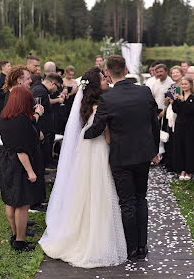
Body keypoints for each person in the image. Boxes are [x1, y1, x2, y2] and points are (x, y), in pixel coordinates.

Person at [39, 66, 128, 267]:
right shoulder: (101, 105)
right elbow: (105, 134)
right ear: (96, 85)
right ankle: (95, 238)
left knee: (86, 190)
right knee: (99, 189)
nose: (106, 79)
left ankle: (86, 230)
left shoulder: (87, 104)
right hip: (97, 149)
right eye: (103, 78)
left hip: (85, 149)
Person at [84, 55, 160, 261]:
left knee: (126, 203)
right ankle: (143, 247)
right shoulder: (144, 91)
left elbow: (98, 128)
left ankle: (132, 248)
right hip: (143, 154)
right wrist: (154, 150)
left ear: (107, 72)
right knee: (140, 198)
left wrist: (83, 135)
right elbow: (155, 122)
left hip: (121, 157)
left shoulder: (106, 99)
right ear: (126, 69)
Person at [0, 86, 44, 251]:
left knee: (10, 200)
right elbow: (21, 150)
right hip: (18, 163)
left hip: (4, 160)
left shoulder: (4, 116)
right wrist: (30, 171)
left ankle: (15, 235)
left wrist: (35, 117)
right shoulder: (21, 120)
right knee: (22, 204)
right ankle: (20, 241)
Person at [171, 76, 194, 180]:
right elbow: (175, 110)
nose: (184, 86)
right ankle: (181, 169)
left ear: (190, 84)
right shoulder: (179, 95)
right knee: (180, 147)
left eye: (186, 84)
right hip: (179, 124)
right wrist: (175, 101)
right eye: (182, 84)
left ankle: (189, 171)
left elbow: (190, 110)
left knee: (189, 147)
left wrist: (183, 101)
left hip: (189, 125)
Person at [164, 65, 184, 172]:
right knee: (170, 139)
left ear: (181, 73)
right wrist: (167, 99)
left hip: (179, 113)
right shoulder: (172, 86)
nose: (175, 74)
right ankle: (171, 163)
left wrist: (174, 100)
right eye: (173, 73)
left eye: (177, 72)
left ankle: (178, 164)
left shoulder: (183, 85)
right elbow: (166, 102)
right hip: (170, 112)